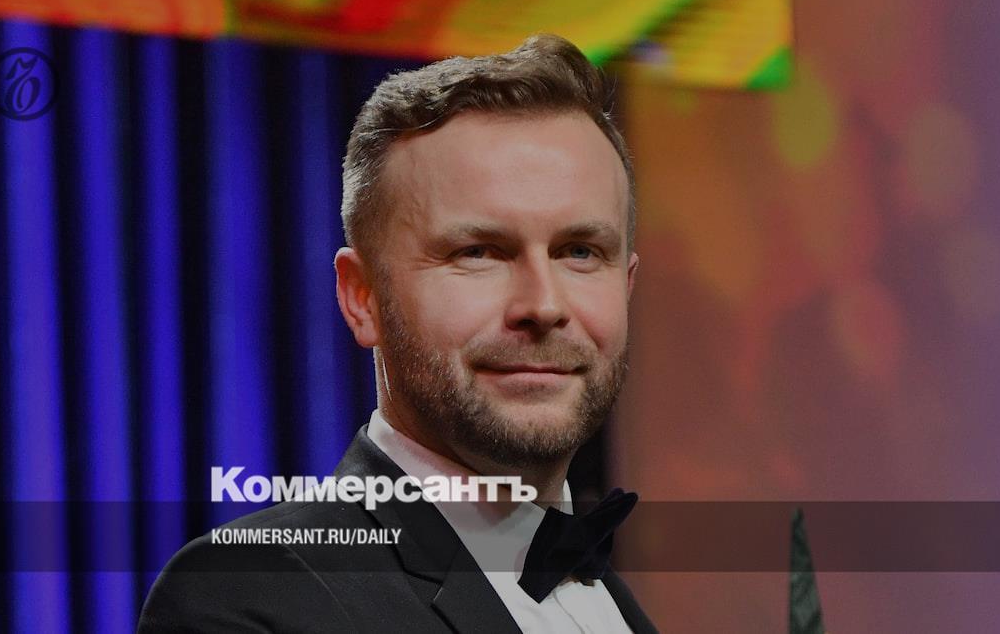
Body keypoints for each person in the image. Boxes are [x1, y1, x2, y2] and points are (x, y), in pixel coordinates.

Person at [138, 33, 655, 633]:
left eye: (580, 252)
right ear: (362, 298)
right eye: (478, 251)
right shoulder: (248, 597)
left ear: (626, 285)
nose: (543, 305)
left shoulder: (613, 605)